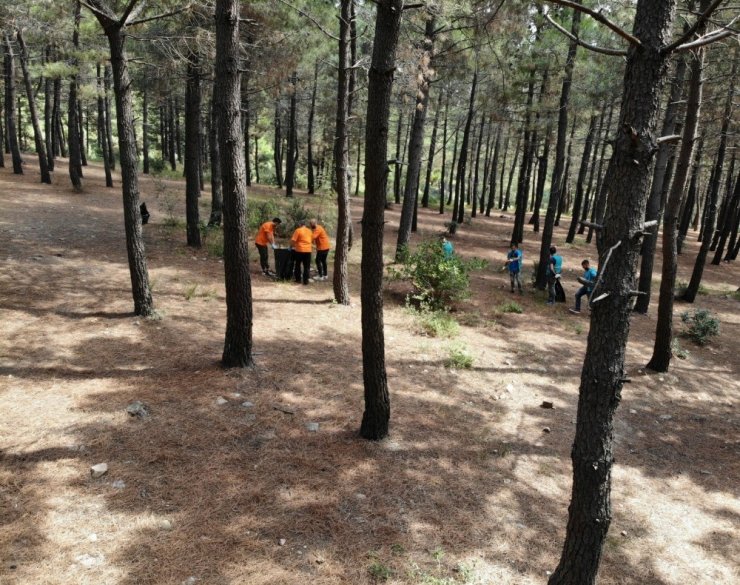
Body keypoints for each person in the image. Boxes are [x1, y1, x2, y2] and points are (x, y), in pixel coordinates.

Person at [290, 220, 313, 285]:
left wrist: (290, 247)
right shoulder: (310, 231)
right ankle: (306, 281)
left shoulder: (298, 230)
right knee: (307, 266)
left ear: (300, 224)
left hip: (299, 250)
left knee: (297, 265)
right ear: (305, 225)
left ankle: (298, 280)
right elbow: (311, 240)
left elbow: (293, 240)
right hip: (308, 250)